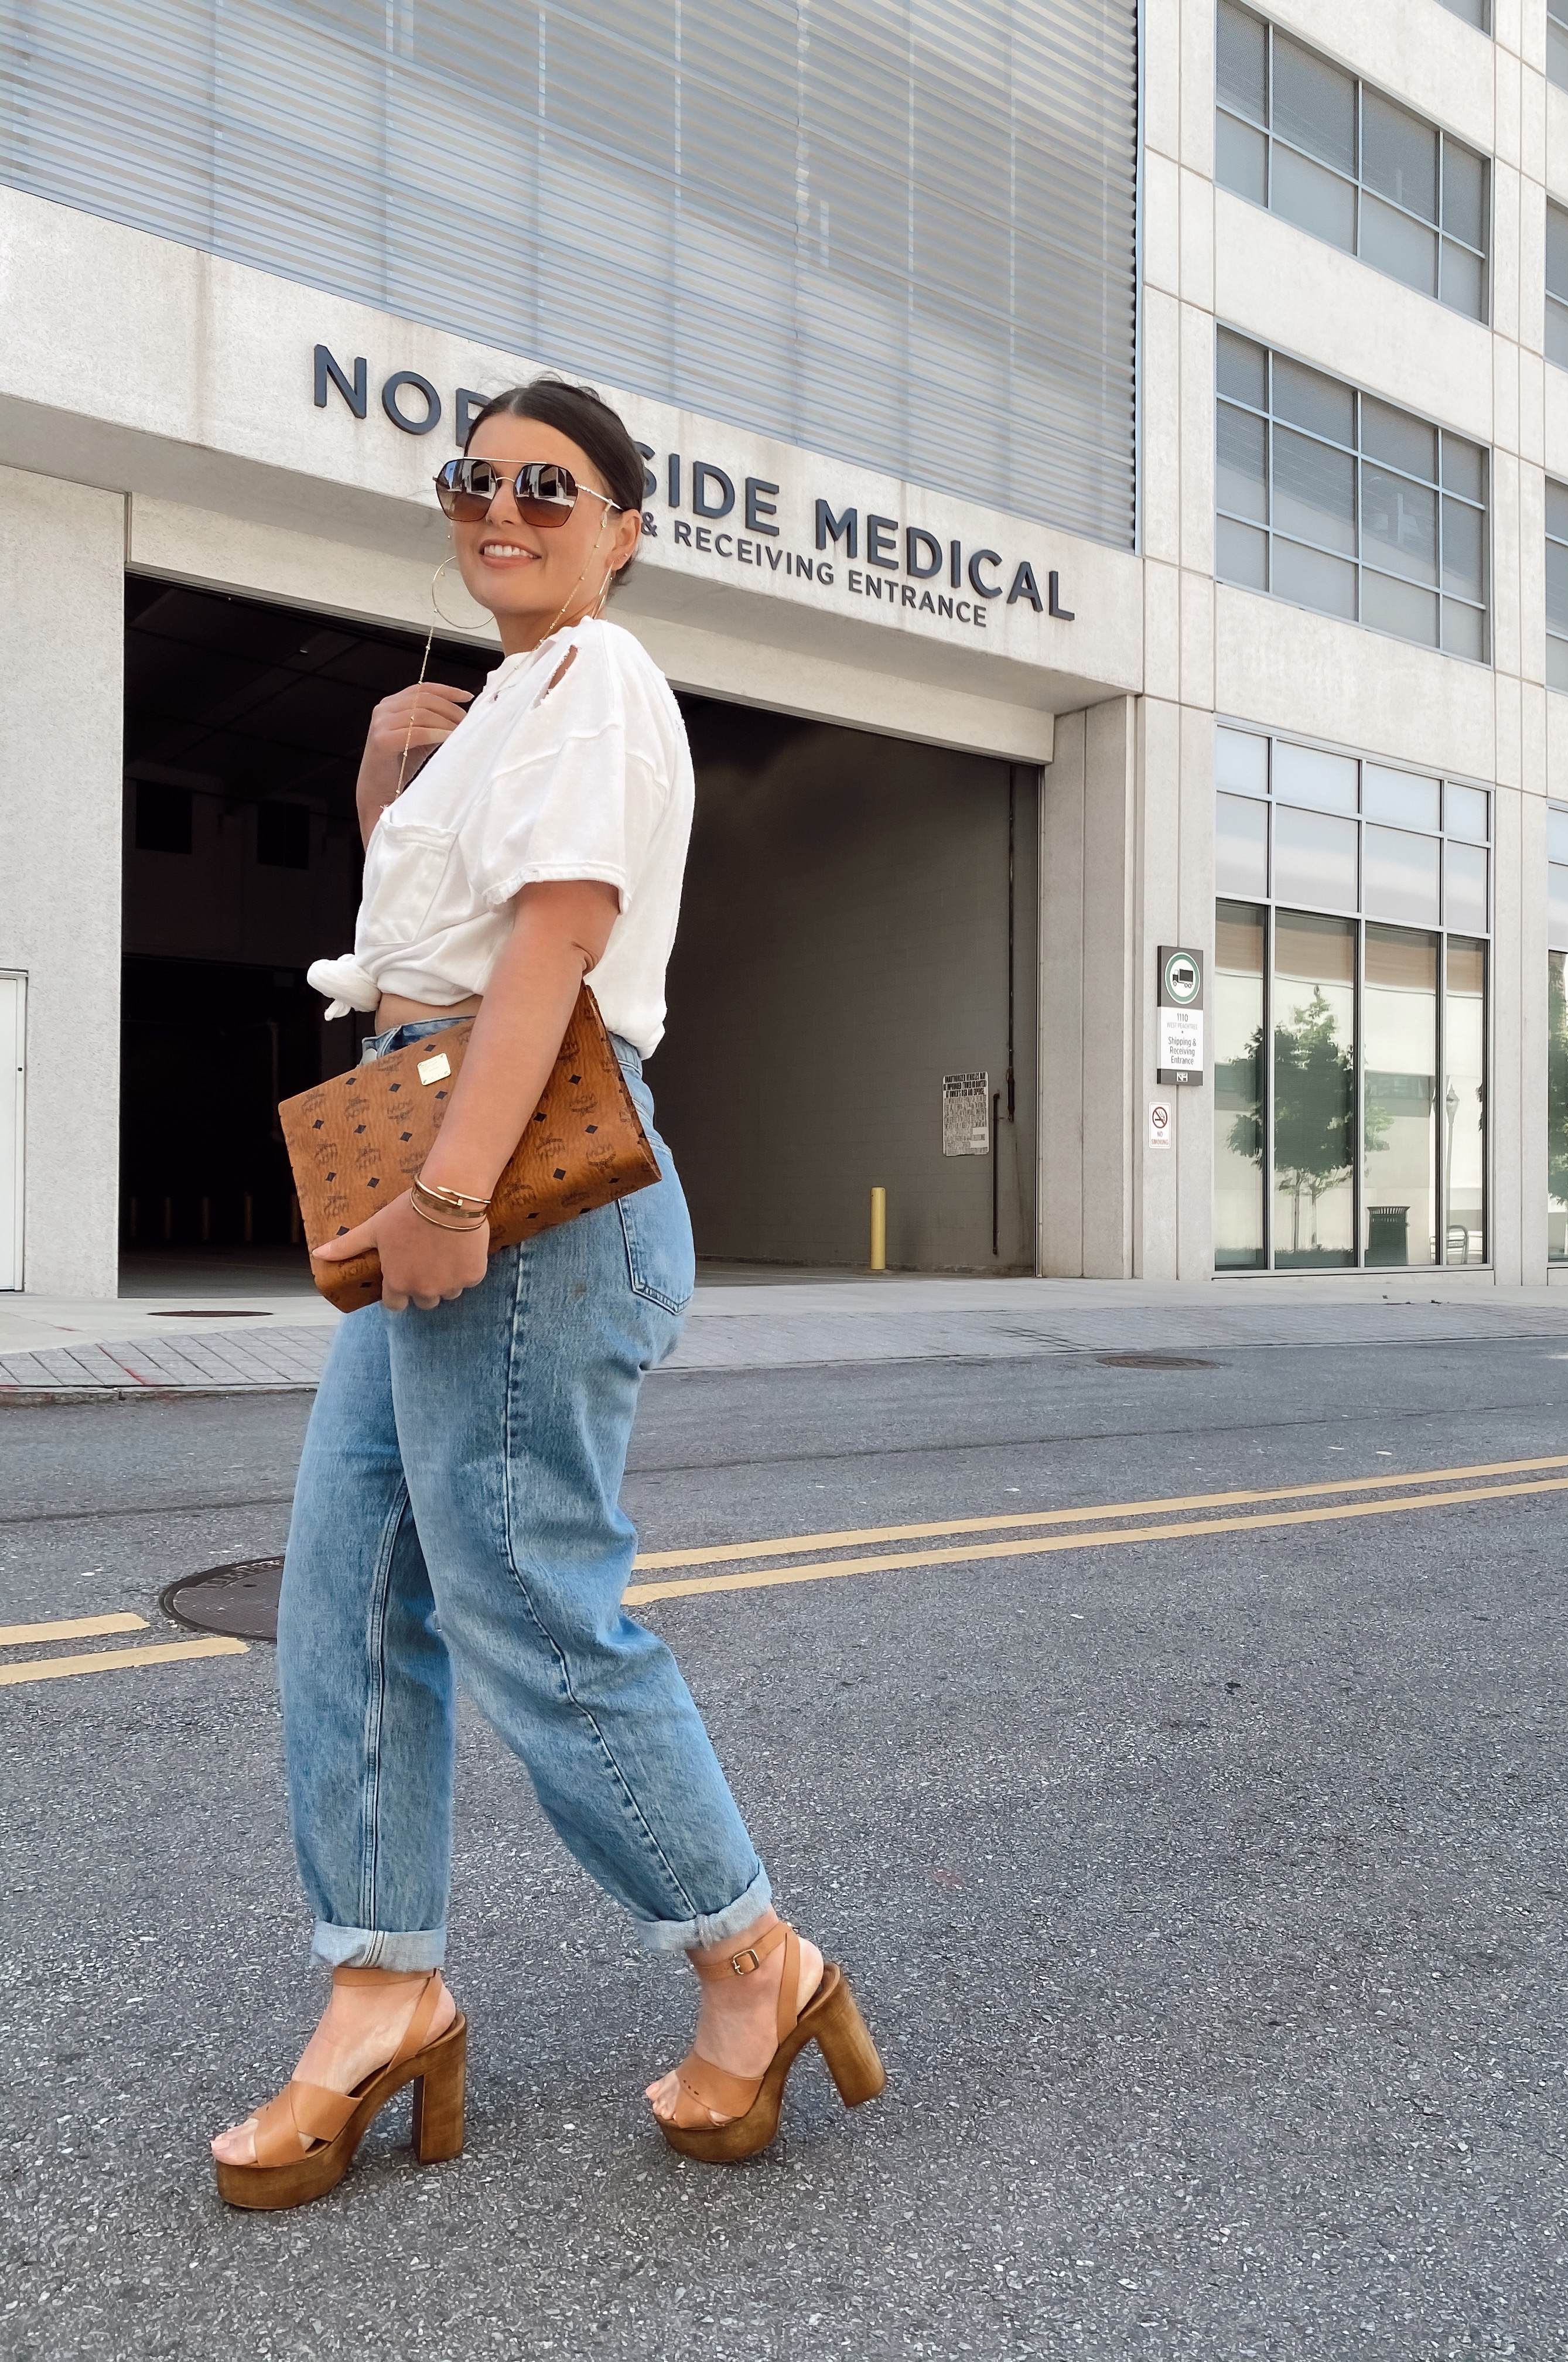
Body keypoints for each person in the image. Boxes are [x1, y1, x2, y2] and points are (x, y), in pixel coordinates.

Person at [210, 378, 884, 2209]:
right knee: (353, 1587)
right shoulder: (505, 705)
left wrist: (448, 1188)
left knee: (525, 1595)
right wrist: (379, 801)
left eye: (548, 484)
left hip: (520, 1169)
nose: (501, 507)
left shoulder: (604, 679)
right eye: (475, 479)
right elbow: (435, 949)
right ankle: (384, 1988)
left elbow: (554, 949)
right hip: (446, 1111)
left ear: (624, 524)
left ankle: (756, 1966)